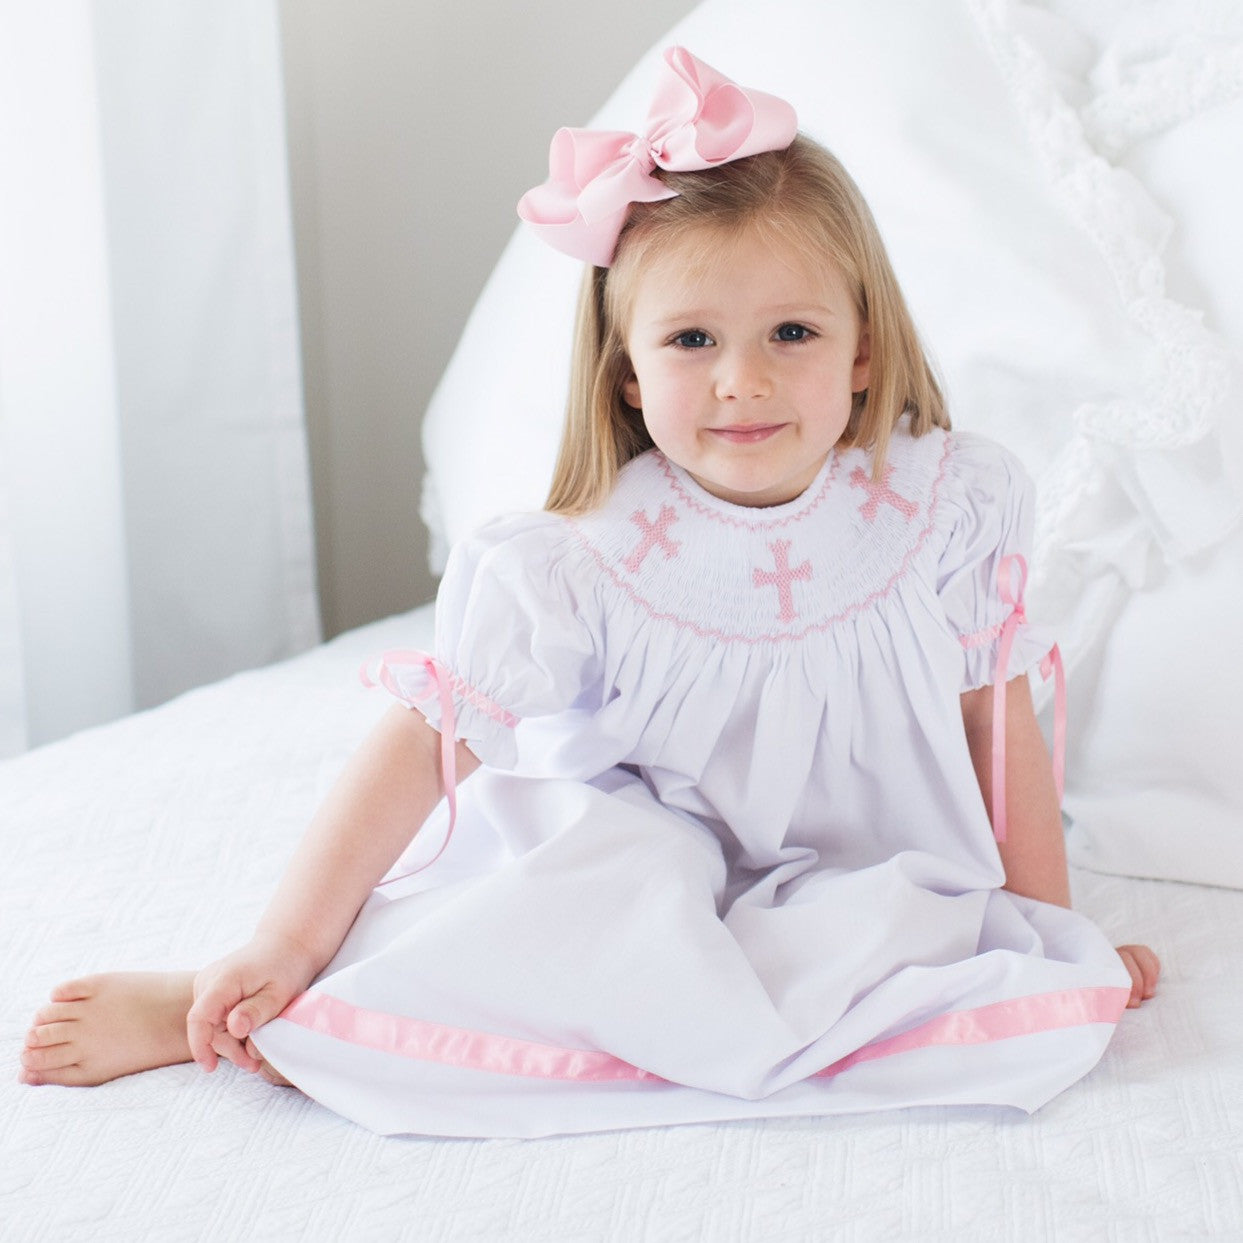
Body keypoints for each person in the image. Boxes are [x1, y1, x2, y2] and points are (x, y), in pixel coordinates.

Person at [21, 48, 1159, 1138]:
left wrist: (1049, 932)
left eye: (792, 332)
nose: (742, 379)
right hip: (655, 853)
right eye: (692, 338)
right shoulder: (579, 562)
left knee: (915, 950)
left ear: (862, 349)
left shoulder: (943, 507)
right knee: (564, 904)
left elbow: (992, 718)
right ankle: (240, 1001)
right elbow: (426, 744)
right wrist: (282, 935)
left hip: (864, 872)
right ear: (626, 369)